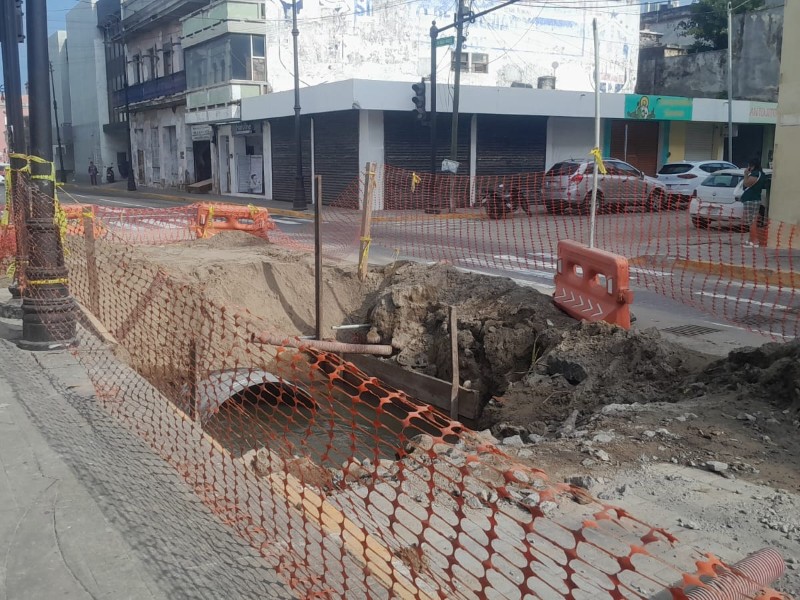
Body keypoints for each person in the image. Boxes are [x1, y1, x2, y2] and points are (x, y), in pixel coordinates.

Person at [741, 157, 766, 246]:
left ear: (752, 166)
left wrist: (745, 174)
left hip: (751, 199)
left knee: (751, 221)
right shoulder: (762, 174)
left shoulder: (755, 174)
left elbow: (746, 183)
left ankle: (754, 241)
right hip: (755, 198)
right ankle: (751, 239)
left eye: (749, 166)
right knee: (752, 220)